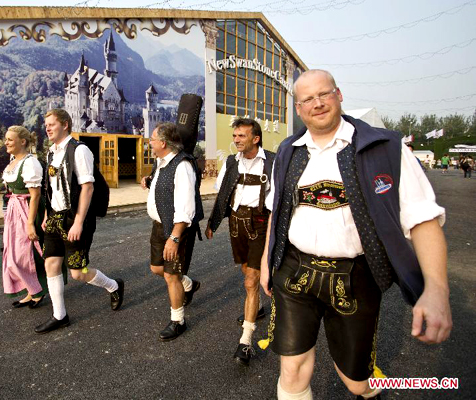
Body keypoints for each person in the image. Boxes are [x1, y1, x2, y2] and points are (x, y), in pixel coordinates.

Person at [260, 70, 452, 400]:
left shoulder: (385, 148)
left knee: (355, 381)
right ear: (297, 107)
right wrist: (267, 260)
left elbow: (424, 221)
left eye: (324, 94)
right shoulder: (288, 151)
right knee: (292, 368)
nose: (317, 104)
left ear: (339, 95)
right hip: (294, 270)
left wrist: (436, 289)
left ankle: (375, 389)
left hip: (355, 276)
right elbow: (277, 213)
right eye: (307, 99)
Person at [34, 109, 124, 334]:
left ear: (65, 124)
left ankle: (113, 285)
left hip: (75, 217)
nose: (47, 128)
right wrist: (46, 215)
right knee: (51, 264)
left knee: (77, 272)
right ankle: (59, 315)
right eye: (46, 125)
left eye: (52, 124)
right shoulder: (51, 152)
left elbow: (87, 187)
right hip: (55, 216)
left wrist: (78, 222)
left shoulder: (79, 150)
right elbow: (50, 187)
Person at [205, 117, 275, 365]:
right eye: (235, 136)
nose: (236, 140)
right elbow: (223, 192)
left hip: (259, 223)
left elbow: (277, 203)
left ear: (255, 138)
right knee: (246, 270)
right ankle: (256, 307)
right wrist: (213, 222)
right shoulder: (231, 162)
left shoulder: (272, 162)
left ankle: (245, 341)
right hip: (237, 224)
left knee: (250, 280)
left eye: (241, 136)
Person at [142, 122, 203, 341]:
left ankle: (178, 321)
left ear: (163, 143)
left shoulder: (183, 165)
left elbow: (186, 206)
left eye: (152, 139)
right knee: (156, 268)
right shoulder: (161, 162)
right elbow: (164, 187)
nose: (150, 142)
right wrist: (148, 181)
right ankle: (189, 284)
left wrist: (175, 238)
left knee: (170, 275)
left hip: (175, 228)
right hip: (159, 226)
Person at [2, 126, 47, 309]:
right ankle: (31, 290)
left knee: (29, 253)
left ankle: (38, 291)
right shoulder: (13, 161)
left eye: (10, 140)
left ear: (22, 142)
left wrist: (30, 223)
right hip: (15, 209)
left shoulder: (30, 163)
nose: (6, 142)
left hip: (28, 210)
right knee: (14, 254)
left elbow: (35, 195)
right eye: (6, 139)